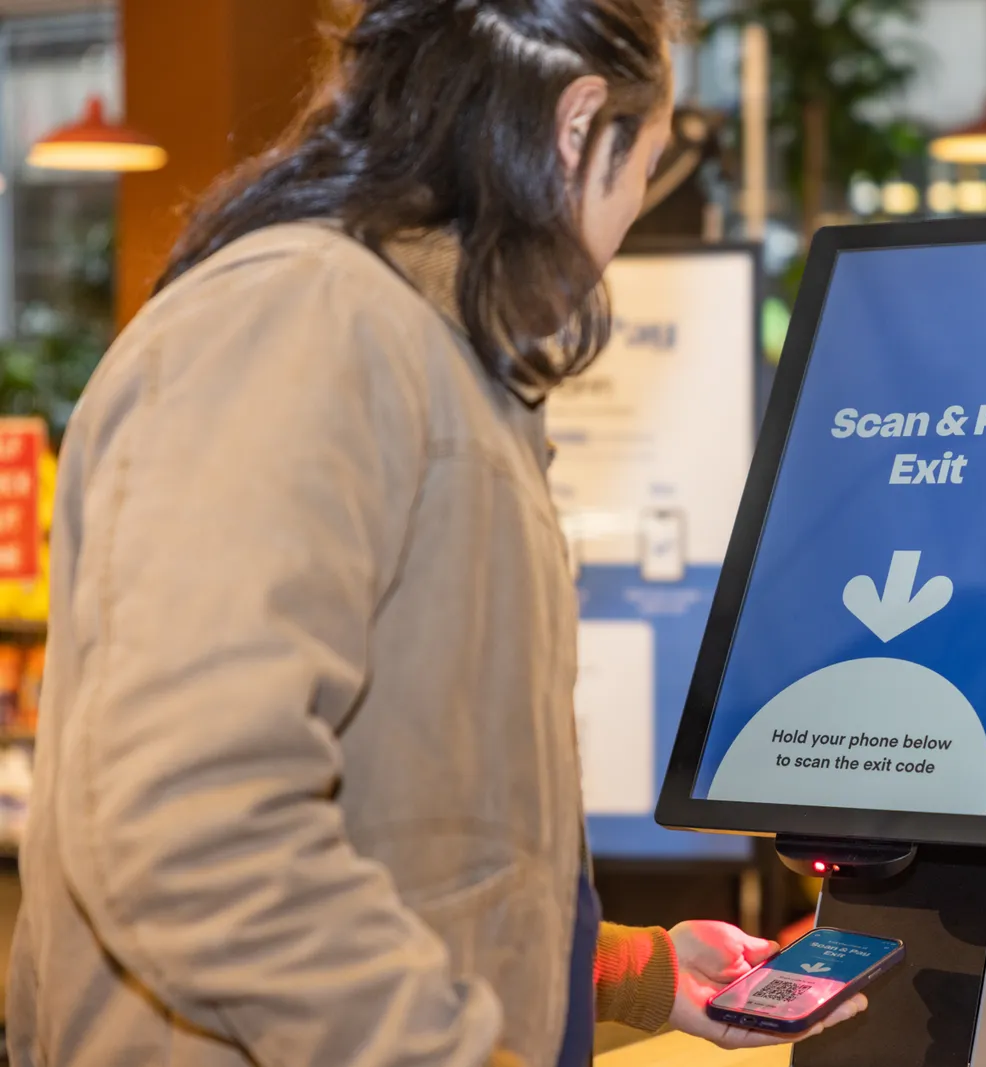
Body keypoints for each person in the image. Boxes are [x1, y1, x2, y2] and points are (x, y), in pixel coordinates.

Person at [6, 1, 865, 1064]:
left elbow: (411, 826)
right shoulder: (301, 324)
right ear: (579, 123)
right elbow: (192, 829)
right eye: (652, 152)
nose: (640, 202)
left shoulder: (423, 349)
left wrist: (631, 972)